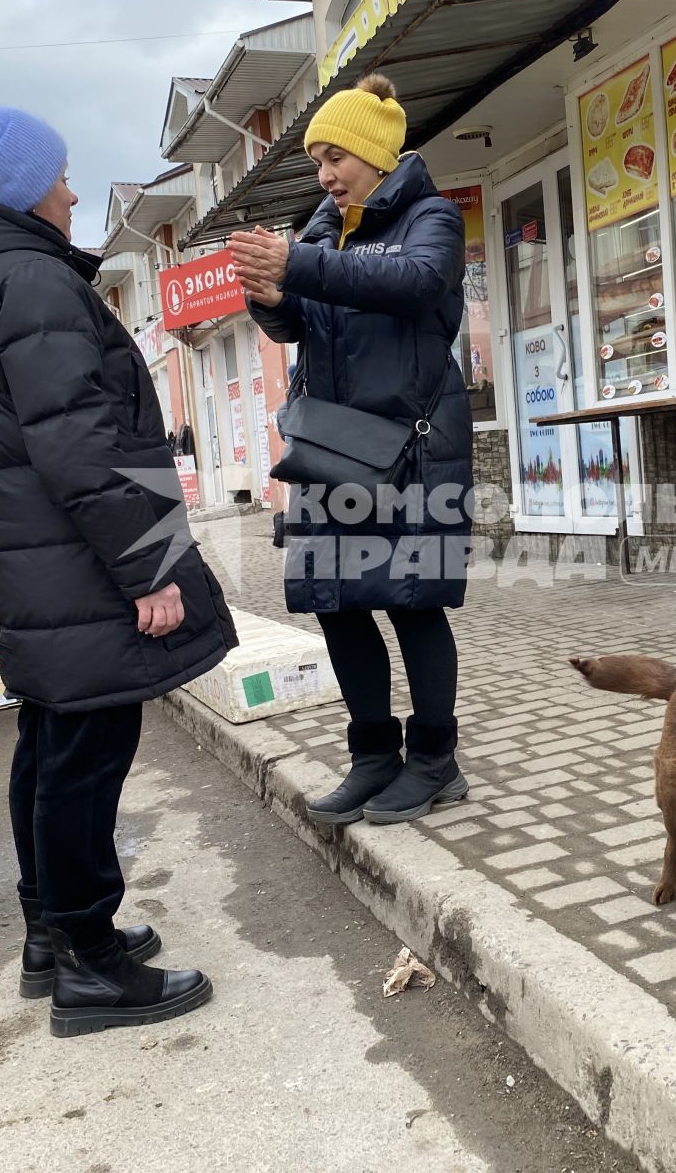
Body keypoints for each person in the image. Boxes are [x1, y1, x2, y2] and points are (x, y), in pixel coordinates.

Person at [0, 106, 237, 1038]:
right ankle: (90, 966)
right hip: (78, 565)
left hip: (38, 561)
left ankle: (54, 937)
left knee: (52, 748)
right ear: (17, 189)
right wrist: (147, 570)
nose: (72, 191)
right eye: (57, 176)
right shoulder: (28, 278)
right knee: (84, 762)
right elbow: (82, 447)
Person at [230, 73, 471, 827]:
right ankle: (373, 757)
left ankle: (435, 761)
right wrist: (271, 299)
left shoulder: (431, 218)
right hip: (330, 447)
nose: (326, 174)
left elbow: (412, 282)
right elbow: (306, 322)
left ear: (374, 153)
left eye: (336, 157)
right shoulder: (320, 230)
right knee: (336, 602)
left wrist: (296, 266)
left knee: (413, 604)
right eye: (317, 162)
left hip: (411, 450)